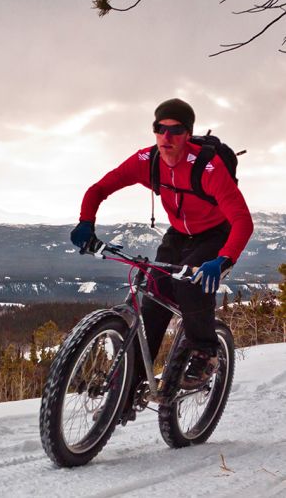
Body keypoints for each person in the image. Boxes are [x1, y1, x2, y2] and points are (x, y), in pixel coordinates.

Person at [70, 98, 253, 418]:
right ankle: (126, 394)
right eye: (160, 129)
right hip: (179, 235)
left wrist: (223, 260)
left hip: (215, 235)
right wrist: (86, 221)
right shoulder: (148, 161)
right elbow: (99, 188)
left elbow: (242, 221)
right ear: (154, 132)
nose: (166, 137)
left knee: (190, 285)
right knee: (152, 298)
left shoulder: (208, 168)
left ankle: (206, 351)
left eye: (176, 130)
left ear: (188, 134)